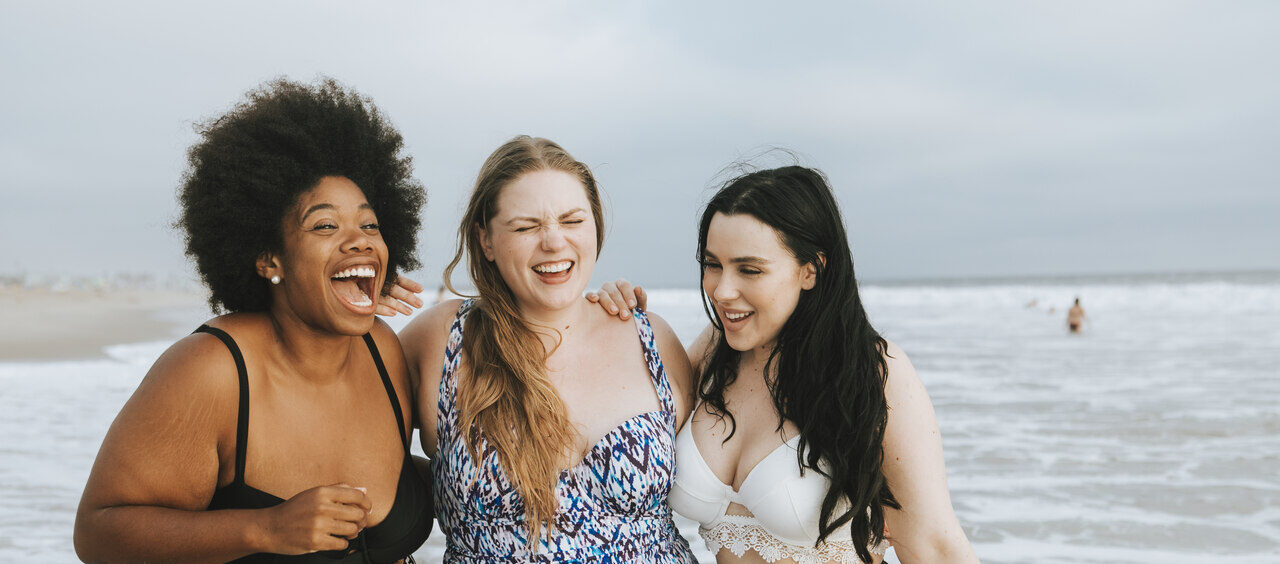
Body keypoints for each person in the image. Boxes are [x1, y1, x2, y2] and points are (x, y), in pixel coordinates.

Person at [74, 78, 433, 563]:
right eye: (325, 226)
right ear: (269, 260)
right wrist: (263, 529)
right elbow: (98, 536)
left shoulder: (382, 351)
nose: (360, 240)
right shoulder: (212, 371)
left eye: (369, 225)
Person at [589, 166, 979, 563]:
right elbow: (621, 428)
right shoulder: (714, 350)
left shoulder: (873, 371)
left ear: (811, 270)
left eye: (749, 269)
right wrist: (612, 324)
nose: (722, 290)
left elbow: (937, 546)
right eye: (712, 264)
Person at [399, 136, 697, 562]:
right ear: (485, 241)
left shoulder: (651, 338)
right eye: (525, 227)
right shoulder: (441, 341)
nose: (554, 242)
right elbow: (336, 440)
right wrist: (350, 304)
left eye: (573, 221)